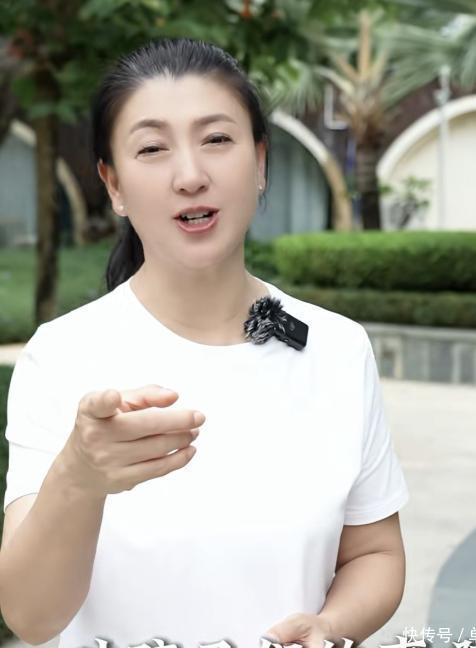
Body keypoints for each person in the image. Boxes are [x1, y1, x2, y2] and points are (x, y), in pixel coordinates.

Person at [0, 38, 409, 648]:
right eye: (152, 148)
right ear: (113, 184)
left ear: (260, 161)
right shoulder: (62, 357)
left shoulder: (338, 349)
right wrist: (79, 477)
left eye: (216, 139)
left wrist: (330, 625)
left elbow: (375, 552)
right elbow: (30, 618)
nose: (190, 176)